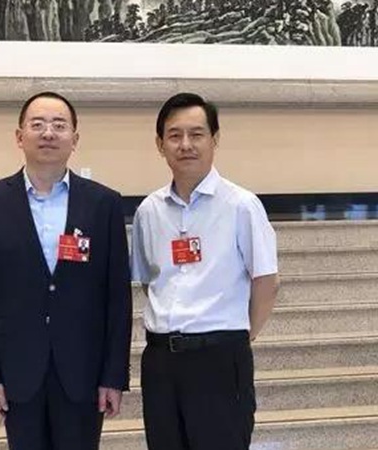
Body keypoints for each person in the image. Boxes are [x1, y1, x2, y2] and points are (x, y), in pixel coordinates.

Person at [0, 91, 132, 450]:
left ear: (75, 138)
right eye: (37, 124)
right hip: (17, 372)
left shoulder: (103, 204)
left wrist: (114, 376)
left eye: (59, 125)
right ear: (19, 136)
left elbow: (117, 298)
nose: (48, 133)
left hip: (83, 373)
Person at [130, 92, 279, 450]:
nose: (186, 145)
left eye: (196, 134)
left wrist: (239, 336)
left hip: (219, 358)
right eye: (174, 135)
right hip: (161, 361)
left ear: (214, 139)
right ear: (160, 144)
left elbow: (266, 282)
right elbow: (150, 282)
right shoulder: (149, 211)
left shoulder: (242, 205)